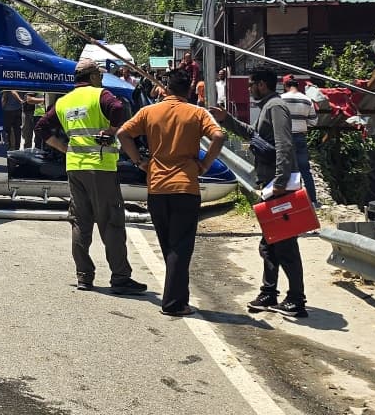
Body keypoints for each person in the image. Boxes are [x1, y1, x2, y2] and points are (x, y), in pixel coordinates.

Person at [118, 70, 226, 316]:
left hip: (156, 186)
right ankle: (174, 303)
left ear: (166, 89)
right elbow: (218, 135)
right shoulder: (197, 113)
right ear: (188, 90)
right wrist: (205, 164)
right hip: (186, 186)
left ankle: (179, 297)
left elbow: (123, 133)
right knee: (181, 246)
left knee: (169, 245)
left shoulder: (149, 112)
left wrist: (139, 162)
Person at [35, 58, 147, 294]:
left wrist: (64, 148)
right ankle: (120, 278)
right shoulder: (100, 95)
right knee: (111, 222)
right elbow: (117, 108)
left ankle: (84, 276)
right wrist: (114, 130)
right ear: (93, 77)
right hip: (100, 167)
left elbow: (41, 127)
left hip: (75, 167)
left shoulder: (64, 102)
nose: (101, 78)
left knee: (80, 222)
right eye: (99, 74)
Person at [211, 67, 307, 318]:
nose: (250, 89)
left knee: (284, 245)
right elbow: (255, 135)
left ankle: (296, 299)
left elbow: (285, 144)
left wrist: (279, 181)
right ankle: (269, 293)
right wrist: (227, 119)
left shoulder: (275, 106)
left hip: (278, 186)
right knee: (270, 244)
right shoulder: (268, 106)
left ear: (262, 84)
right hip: (269, 184)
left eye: (252, 84)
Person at [281, 75, 319, 206]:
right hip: (300, 138)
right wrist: (301, 122)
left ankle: (291, 201)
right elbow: (314, 122)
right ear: (297, 86)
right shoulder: (307, 100)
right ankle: (313, 201)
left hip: (285, 138)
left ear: (285, 86)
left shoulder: (280, 99)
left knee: (286, 170)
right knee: (305, 170)